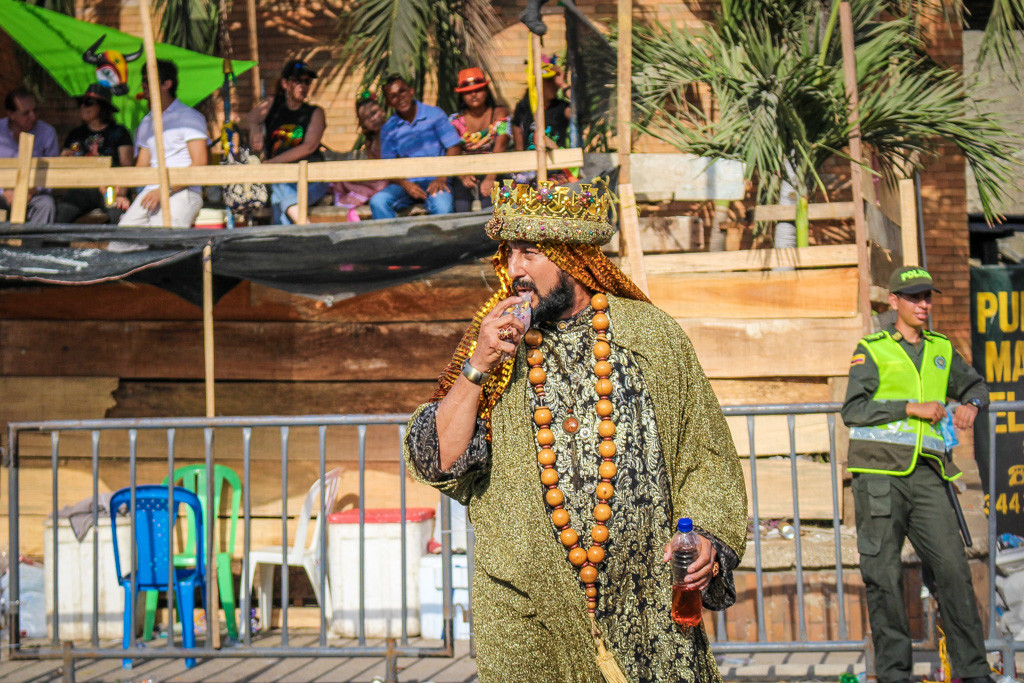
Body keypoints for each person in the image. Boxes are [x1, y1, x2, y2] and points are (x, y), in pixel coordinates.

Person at [404, 180, 747, 682]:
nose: (514, 269)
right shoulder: (494, 340)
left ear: (574, 258)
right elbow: (439, 461)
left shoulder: (650, 335)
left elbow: (706, 455)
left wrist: (708, 539)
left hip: (644, 607)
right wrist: (477, 366)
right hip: (527, 615)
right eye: (509, 253)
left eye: (530, 253)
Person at [842, 266, 993, 683]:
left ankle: (974, 673)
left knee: (953, 572)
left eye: (927, 296)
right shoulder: (872, 350)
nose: (923, 304)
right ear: (894, 303)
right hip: (878, 479)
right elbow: (853, 411)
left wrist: (972, 405)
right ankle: (894, 675)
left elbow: (976, 386)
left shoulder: (941, 349)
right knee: (884, 578)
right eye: (914, 297)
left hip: (928, 476)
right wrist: (909, 407)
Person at [119, 60, 208, 228]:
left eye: (148, 81)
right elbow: (142, 166)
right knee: (120, 243)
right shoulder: (146, 122)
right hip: (149, 191)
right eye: (143, 80)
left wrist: (164, 190)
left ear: (167, 84)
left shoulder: (188, 117)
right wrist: (119, 186)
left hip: (184, 192)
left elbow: (200, 164)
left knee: (163, 240)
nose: (143, 85)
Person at [245, 59, 328, 224]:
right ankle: (308, 229)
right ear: (285, 83)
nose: (303, 86)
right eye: (297, 81)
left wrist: (274, 162)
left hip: (312, 179)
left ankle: (304, 231)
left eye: (307, 81)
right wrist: (254, 128)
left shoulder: (315, 112)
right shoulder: (272, 104)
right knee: (279, 186)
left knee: (279, 191)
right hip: (280, 177)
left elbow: (309, 146)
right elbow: (246, 120)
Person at [369, 74, 460, 219]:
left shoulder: (434, 114)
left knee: (443, 206)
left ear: (411, 91)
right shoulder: (389, 128)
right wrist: (406, 184)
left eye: (402, 91)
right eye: (393, 96)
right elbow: (388, 165)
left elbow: (454, 147)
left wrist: (441, 178)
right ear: (388, 103)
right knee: (378, 201)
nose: (400, 98)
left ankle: (439, 242)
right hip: (406, 184)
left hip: (437, 181)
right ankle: (391, 241)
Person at [55, 83, 133, 224]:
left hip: (109, 188)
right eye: (81, 103)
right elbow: (63, 164)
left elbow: (126, 166)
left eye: (88, 103)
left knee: (117, 211)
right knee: (61, 213)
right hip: (81, 188)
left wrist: (120, 193)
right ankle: (57, 247)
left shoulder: (119, 132)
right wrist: (66, 160)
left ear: (102, 107)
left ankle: (117, 246)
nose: (83, 107)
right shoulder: (75, 134)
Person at [448, 67, 510, 213]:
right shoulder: (455, 121)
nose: (473, 94)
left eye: (478, 89)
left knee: (490, 207)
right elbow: (453, 150)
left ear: (486, 91)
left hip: (495, 170)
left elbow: (501, 146)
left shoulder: (499, 114)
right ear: (461, 95)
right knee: (460, 207)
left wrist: (490, 177)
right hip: (464, 172)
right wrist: (463, 176)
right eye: (468, 92)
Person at [511, 59, 575, 186]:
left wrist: (563, 84)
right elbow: (517, 128)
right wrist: (520, 157)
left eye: (553, 81)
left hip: (555, 168)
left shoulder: (561, 107)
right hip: (529, 168)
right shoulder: (524, 107)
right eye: (548, 81)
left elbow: (580, 111)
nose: (553, 85)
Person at [0, 87, 58, 223]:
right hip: (2, 193)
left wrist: (31, 191)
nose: (33, 116)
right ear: (11, 114)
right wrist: (4, 191)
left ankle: (31, 245)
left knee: (47, 204)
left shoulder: (47, 132)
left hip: (34, 193)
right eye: (26, 113)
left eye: (35, 110)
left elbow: (53, 172)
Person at [329, 91, 388, 222]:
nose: (372, 119)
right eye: (366, 118)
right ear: (362, 124)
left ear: (383, 111)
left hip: (390, 179)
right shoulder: (370, 141)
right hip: (378, 176)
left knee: (370, 187)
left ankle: (351, 204)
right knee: (346, 179)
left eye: (374, 113)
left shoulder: (392, 133)